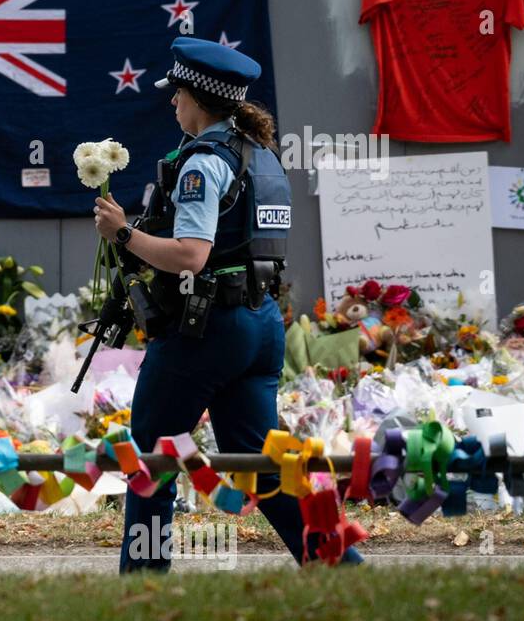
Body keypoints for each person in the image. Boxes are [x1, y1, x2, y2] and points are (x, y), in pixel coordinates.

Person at [92, 36, 364, 572]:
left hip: (207, 329)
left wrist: (123, 233)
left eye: (178, 93)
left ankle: (141, 589)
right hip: (260, 324)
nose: (172, 102)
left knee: (152, 453)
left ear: (199, 97)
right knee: (262, 464)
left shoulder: (201, 165)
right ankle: (341, 566)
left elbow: (192, 255)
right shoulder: (261, 156)